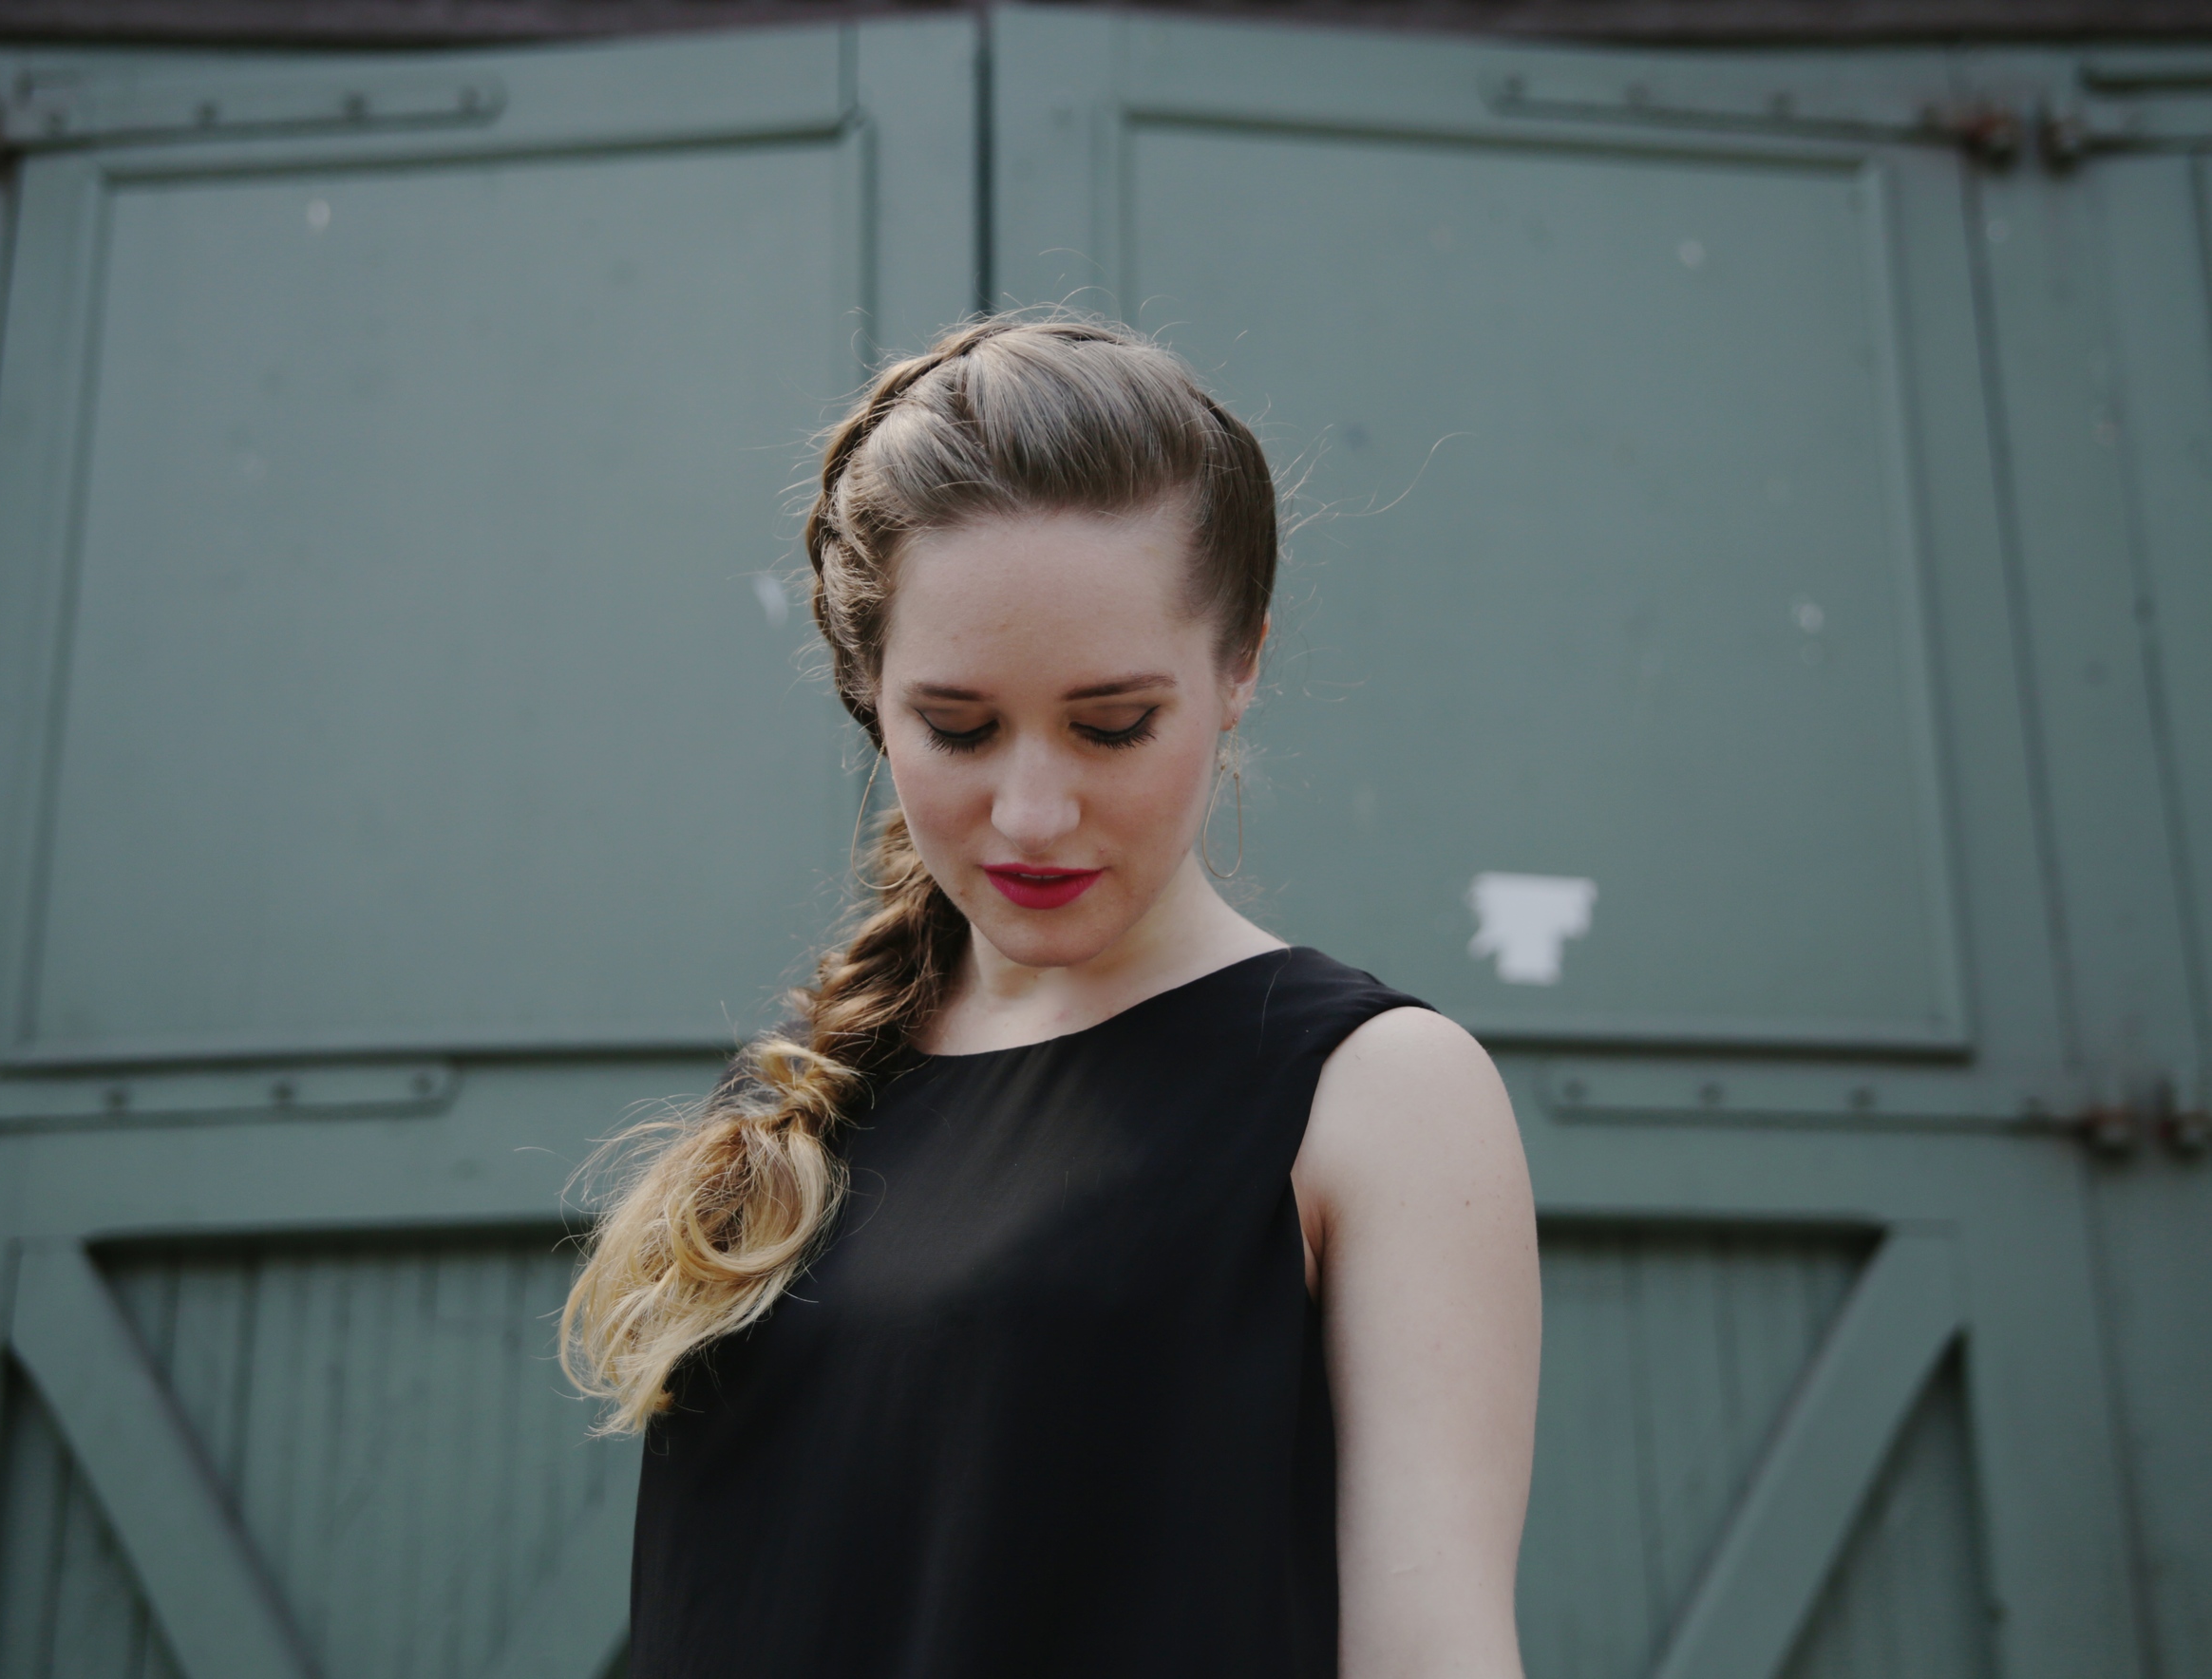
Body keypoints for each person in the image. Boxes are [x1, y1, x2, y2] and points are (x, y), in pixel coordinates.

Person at [562, 315, 1540, 1679]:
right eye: (956, 728)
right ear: (867, 691)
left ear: (1242, 665)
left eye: (1112, 725)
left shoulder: (1379, 1097)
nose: (1031, 812)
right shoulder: (804, 1087)